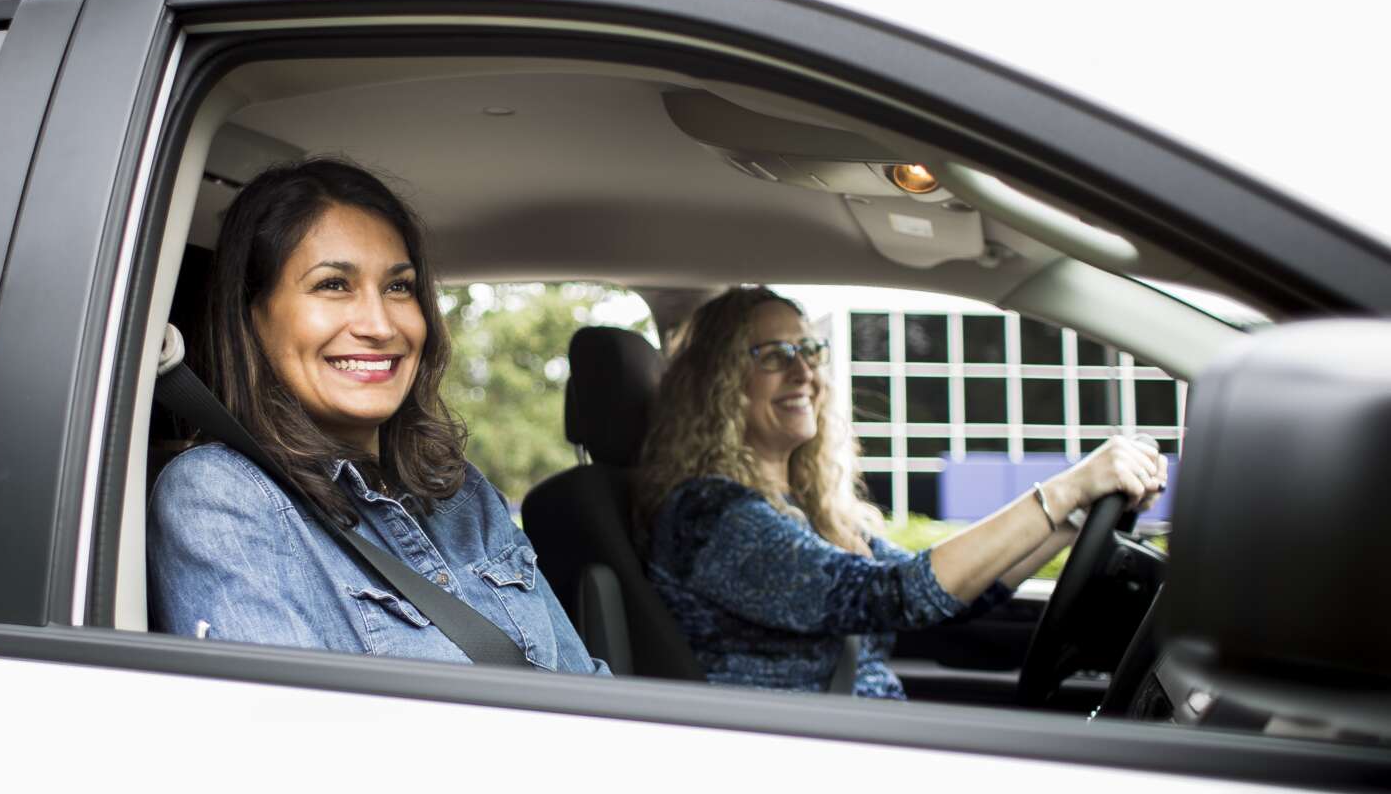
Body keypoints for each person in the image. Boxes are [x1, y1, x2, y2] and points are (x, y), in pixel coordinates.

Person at [148, 158, 605, 675]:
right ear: (252, 315)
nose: (379, 324)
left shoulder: (461, 493)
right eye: (333, 285)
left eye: (398, 287)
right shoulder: (220, 496)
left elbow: (587, 692)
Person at [636, 286, 1165, 698]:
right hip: (791, 754)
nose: (804, 372)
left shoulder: (803, 507)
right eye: (773, 355)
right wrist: (1065, 488)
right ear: (719, 382)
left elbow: (947, 596)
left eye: (810, 350)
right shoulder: (710, 515)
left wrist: (1072, 522)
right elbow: (895, 595)